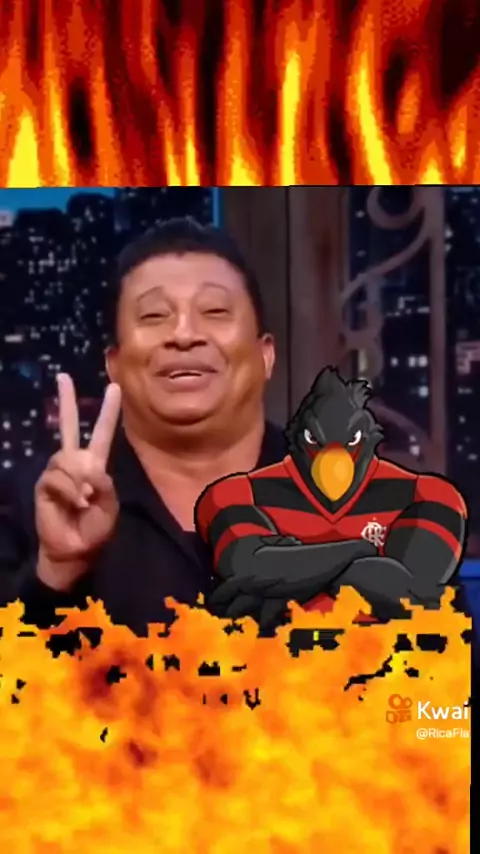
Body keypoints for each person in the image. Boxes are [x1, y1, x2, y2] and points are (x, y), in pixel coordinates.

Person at [0, 217, 286, 635]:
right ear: (114, 364)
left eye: (215, 311)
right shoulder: (31, 506)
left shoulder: (351, 499)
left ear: (266, 356)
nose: (184, 334)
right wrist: (54, 574)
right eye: (154, 315)